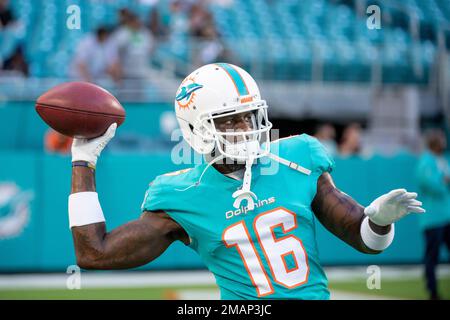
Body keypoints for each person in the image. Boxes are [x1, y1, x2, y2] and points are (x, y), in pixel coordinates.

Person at [68, 63, 425, 300]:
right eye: (230, 121)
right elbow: (93, 252)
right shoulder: (180, 195)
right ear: (196, 130)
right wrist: (84, 161)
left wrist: (378, 220)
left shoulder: (298, 157)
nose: (247, 130)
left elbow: (364, 240)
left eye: (251, 117)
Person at [416, 128, 450, 300]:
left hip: (447, 215)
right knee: (432, 257)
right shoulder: (425, 162)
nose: (444, 142)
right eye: (441, 139)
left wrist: (443, 180)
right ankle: (433, 291)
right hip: (432, 219)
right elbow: (433, 185)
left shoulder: (444, 159)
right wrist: (444, 180)